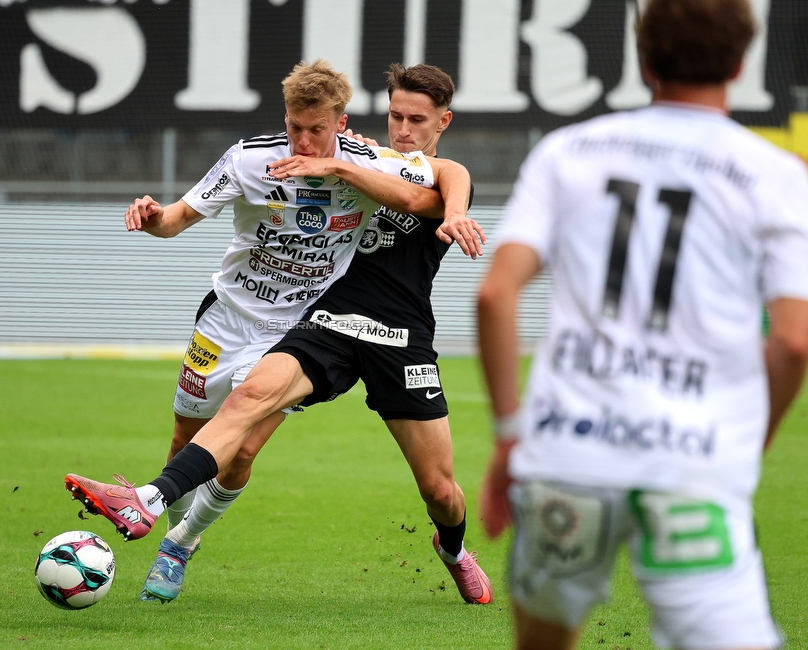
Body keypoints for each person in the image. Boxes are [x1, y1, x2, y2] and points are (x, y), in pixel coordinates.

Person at [475, 0, 808, 648]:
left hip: (568, 454)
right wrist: (743, 446)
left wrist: (511, 436)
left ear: (642, 55)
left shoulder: (567, 150)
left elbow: (494, 295)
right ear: (741, 63)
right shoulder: (777, 176)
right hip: (693, 469)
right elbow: (794, 340)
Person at [65, 58, 481, 572]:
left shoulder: (378, 165)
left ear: (444, 122)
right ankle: (161, 517)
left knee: (439, 489)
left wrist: (447, 209)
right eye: (397, 116)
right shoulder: (297, 157)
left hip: (397, 336)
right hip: (313, 322)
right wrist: (154, 220)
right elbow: (175, 219)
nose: (403, 129)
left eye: (416, 120)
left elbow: (446, 178)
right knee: (206, 428)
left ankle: (455, 549)